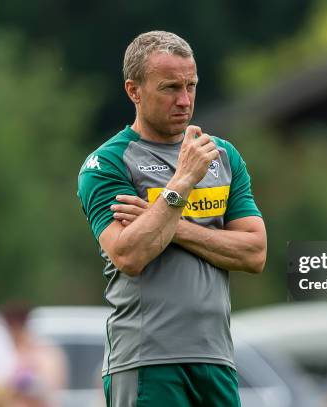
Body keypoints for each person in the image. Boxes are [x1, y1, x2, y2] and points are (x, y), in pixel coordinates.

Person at [77, 30, 267, 407]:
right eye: (169, 88)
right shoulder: (108, 163)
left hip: (216, 359)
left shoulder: (222, 156)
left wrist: (166, 222)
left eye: (191, 85)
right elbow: (128, 255)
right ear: (134, 90)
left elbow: (254, 252)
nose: (184, 100)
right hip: (148, 359)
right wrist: (181, 183)